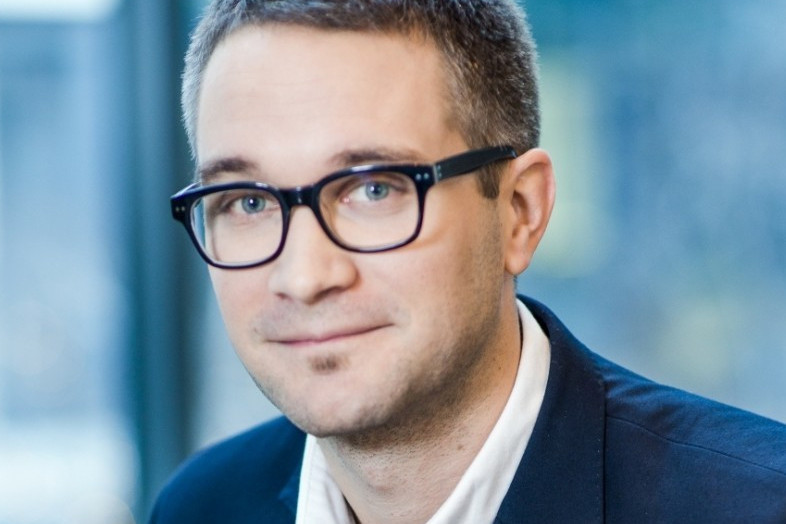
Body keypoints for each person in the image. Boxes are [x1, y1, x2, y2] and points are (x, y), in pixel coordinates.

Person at [151, 1, 786, 522]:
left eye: (375, 190)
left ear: (519, 211)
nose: (304, 277)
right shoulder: (201, 506)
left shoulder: (756, 504)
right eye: (248, 202)